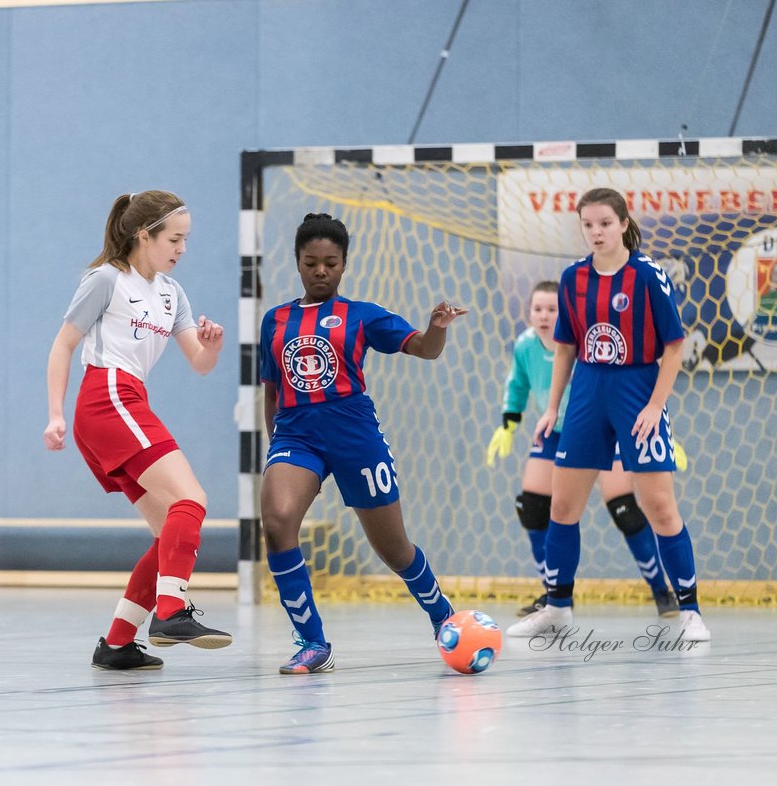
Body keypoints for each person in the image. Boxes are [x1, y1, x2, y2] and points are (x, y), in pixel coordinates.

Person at [259, 213, 467, 674]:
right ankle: (313, 642)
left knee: (395, 551)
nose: (320, 271)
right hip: (296, 436)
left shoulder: (362, 315)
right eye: (311, 262)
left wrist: (437, 328)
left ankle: (442, 615)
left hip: (355, 436)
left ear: (344, 265)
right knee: (276, 524)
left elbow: (424, 349)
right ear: (297, 263)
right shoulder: (274, 321)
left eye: (330, 263)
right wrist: (277, 452)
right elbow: (271, 392)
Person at [505, 188, 710, 643]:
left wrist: (656, 405)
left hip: (636, 392)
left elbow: (674, 347)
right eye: (588, 225)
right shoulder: (573, 279)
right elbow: (566, 348)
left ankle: (690, 609)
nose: (596, 232)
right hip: (587, 393)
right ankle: (558, 607)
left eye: (604, 223)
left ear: (622, 223)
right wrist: (553, 406)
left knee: (658, 506)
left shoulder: (647, 275)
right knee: (562, 506)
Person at [45, 190, 231, 671]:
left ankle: (117, 643)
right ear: (143, 236)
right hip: (106, 397)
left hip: (127, 401)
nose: (182, 248)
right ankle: (170, 611)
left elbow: (200, 363)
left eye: (186, 239)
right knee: (192, 499)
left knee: (168, 527)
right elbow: (63, 345)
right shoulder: (107, 280)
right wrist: (55, 414)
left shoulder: (172, 293)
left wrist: (211, 346)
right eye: (174, 238)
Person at [486, 280, 682, 619]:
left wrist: (662, 431)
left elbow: (621, 385)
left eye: (552, 309)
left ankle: (660, 590)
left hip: (600, 429)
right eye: (537, 309)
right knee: (531, 506)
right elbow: (517, 383)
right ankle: (555, 594)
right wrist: (509, 422)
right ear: (529, 312)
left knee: (623, 507)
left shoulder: (582, 344)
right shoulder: (525, 345)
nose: (544, 316)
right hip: (556, 431)